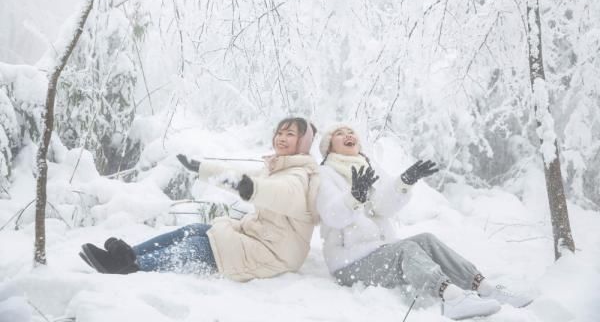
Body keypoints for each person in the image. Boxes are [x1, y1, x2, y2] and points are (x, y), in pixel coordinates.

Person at [317, 124, 533, 320]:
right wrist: (353, 197)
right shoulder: (325, 174)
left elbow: (383, 206)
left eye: (350, 131)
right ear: (328, 147)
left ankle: (484, 287)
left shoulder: (367, 166)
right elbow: (332, 216)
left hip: (379, 250)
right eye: (339, 133)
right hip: (349, 263)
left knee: (427, 240)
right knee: (406, 249)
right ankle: (452, 298)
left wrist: (403, 183)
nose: (347, 135)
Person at [80, 117, 320, 282]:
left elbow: (278, 192)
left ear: (303, 144)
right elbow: (240, 177)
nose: (281, 138)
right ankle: (127, 255)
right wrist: (201, 168)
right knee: (197, 229)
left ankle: (133, 268)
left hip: (275, 254)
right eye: (280, 132)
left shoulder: (300, 177)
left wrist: (252, 188)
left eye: (290, 134)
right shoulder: (278, 168)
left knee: (201, 246)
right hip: (260, 238)